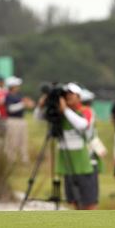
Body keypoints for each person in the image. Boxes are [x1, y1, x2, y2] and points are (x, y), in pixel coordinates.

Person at [37, 82, 99, 210]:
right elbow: (38, 118)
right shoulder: (61, 114)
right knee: (73, 201)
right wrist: (41, 106)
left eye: (72, 94)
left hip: (85, 163)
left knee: (88, 202)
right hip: (67, 162)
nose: (68, 96)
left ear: (79, 97)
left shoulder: (86, 111)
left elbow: (83, 125)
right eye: (66, 94)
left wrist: (65, 110)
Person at [4, 76, 34, 164]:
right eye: (16, 85)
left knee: (23, 141)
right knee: (12, 142)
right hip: (12, 120)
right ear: (12, 86)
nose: (18, 87)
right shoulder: (8, 96)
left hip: (21, 120)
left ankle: (24, 160)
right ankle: (11, 160)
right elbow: (10, 109)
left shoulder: (18, 95)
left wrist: (27, 103)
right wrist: (23, 104)